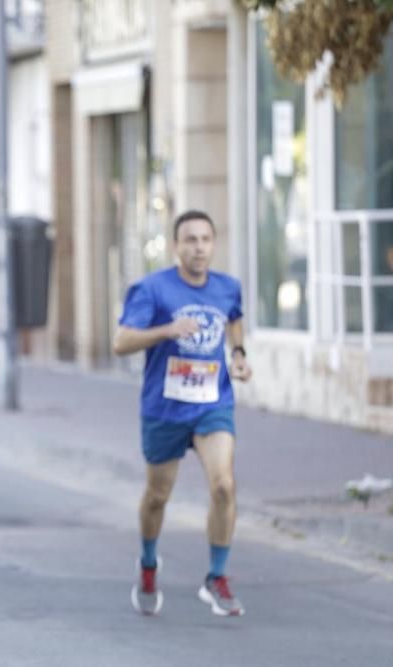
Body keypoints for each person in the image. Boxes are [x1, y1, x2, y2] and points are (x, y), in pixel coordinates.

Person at [113, 209, 252, 617]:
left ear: (213, 244)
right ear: (176, 246)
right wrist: (166, 331)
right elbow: (121, 341)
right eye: (190, 240)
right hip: (164, 409)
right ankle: (149, 561)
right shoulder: (152, 290)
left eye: (205, 240)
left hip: (213, 405)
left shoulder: (228, 287)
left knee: (224, 485)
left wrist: (239, 355)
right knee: (158, 496)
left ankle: (217, 577)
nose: (199, 248)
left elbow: (235, 321)